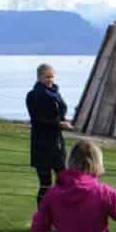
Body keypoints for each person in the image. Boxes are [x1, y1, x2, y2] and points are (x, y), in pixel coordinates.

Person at [26, 62, 73, 203]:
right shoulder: (33, 95)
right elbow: (37, 120)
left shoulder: (56, 93)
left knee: (65, 183)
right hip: (41, 145)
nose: (50, 80)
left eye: (52, 76)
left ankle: (62, 217)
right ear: (39, 77)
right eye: (47, 77)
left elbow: (60, 112)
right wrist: (58, 124)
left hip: (57, 144)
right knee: (46, 185)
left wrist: (64, 122)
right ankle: (42, 219)